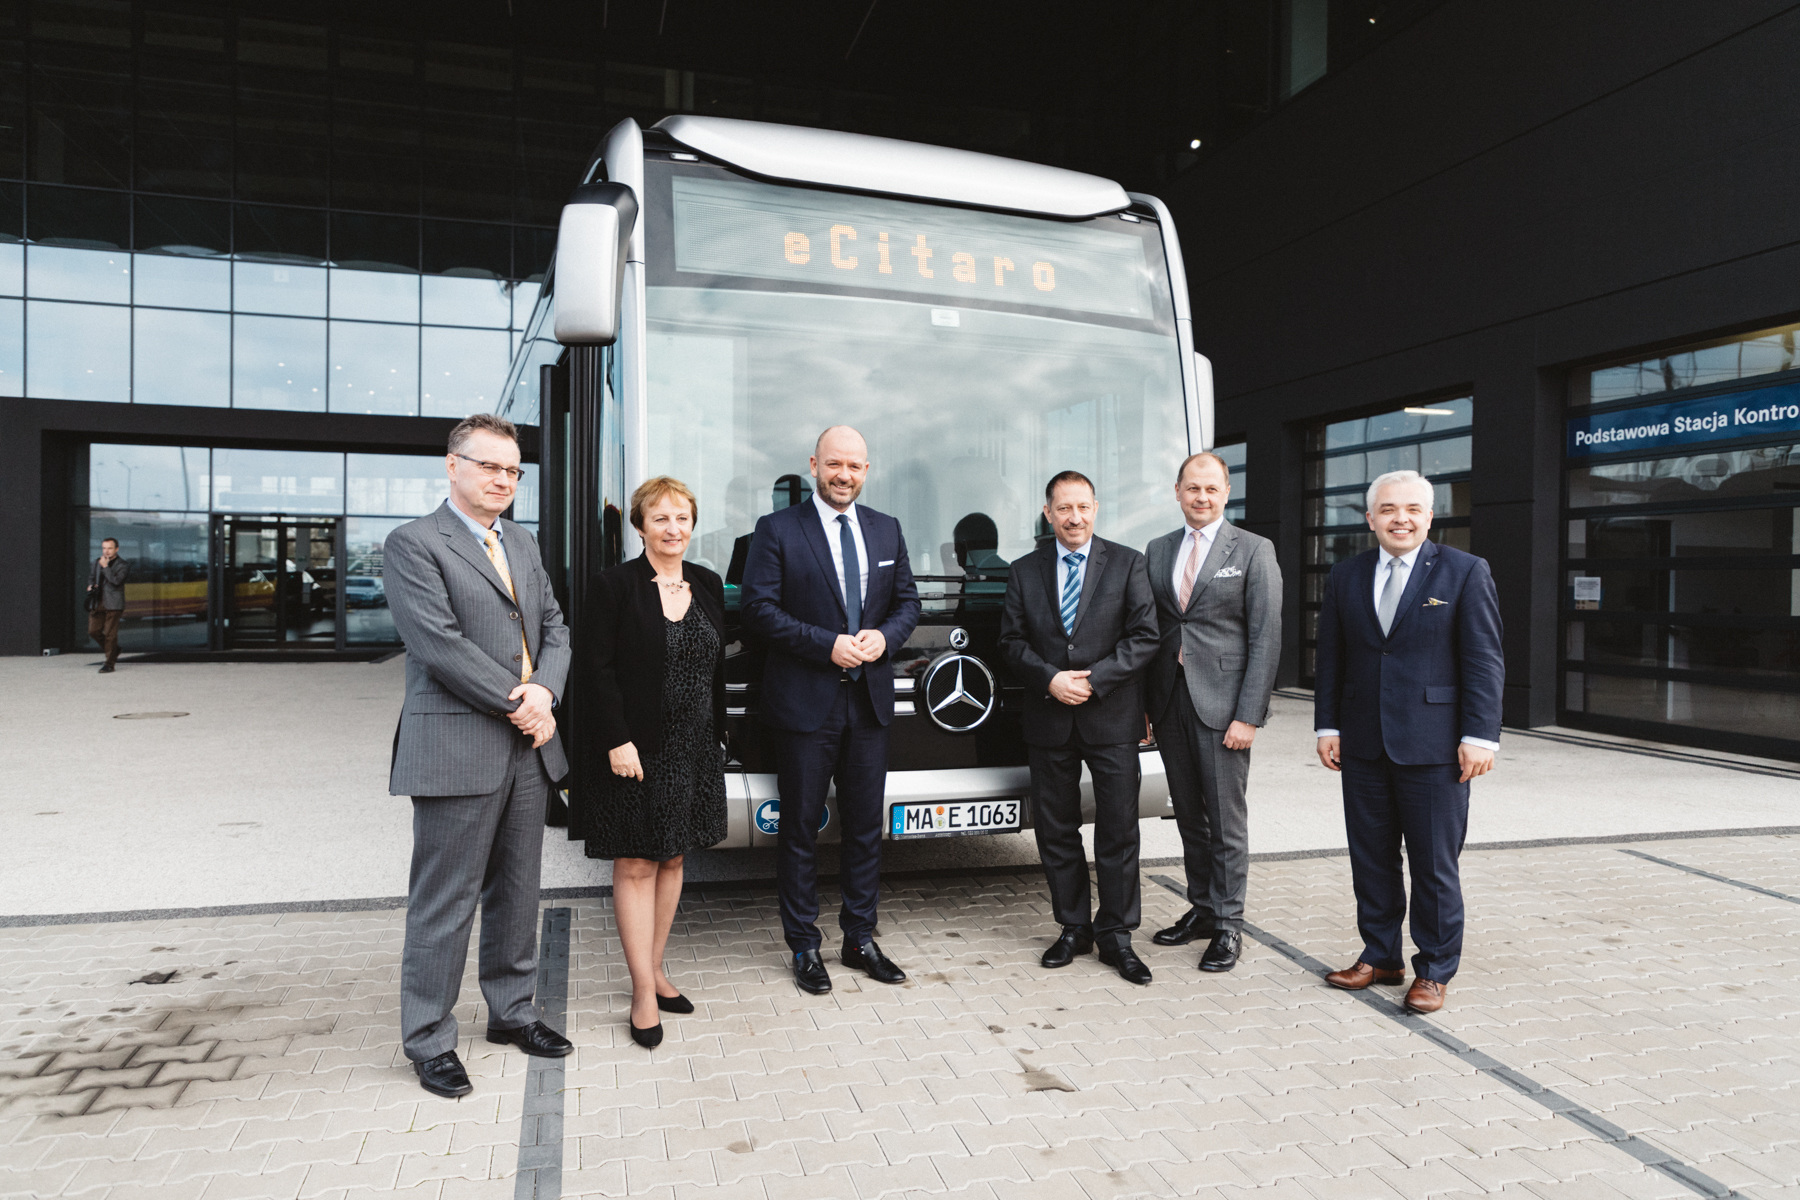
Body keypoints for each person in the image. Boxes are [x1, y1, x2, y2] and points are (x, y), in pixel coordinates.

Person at [382, 413, 574, 1098]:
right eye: (489, 466)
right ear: (452, 466)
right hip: (458, 745)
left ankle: (513, 1013)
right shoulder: (412, 544)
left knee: (519, 892)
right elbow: (437, 643)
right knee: (445, 901)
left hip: (527, 746)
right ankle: (429, 1039)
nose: (502, 480)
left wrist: (547, 690)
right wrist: (520, 700)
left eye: (513, 471)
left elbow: (554, 625)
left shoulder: (522, 542)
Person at [739, 425, 921, 994]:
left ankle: (860, 937)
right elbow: (758, 610)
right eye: (836, 464)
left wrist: (883, 638)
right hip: (804, 705)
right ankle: (804, 946)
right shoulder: (777, 530)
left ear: (868, 471)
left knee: (866, 827)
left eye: (856, 466)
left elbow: (908, 602)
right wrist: (828, 644)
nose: (845, 475)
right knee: (800, 829)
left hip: (868, 703)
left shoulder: (886, 530)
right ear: (815, 464)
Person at [1314, 468, 1503, 1014]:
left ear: (1429, 516)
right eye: (1389, 510)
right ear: (1370, 518)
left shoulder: (1464, 572)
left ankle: (1435, 969)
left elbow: (1485, 660)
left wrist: (1480, 736)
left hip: (1436, 747)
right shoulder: (1346, 575)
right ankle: (1381, 955)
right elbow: (1332, 658)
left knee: (1433, 864)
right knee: (1370, 857)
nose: (1401, 518)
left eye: (1413, 509)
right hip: (1364, 745)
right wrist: (1328, 726)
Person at [577, 476, 727, 1049]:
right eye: (660, 518)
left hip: (692, 748)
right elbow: (595, 670)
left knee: (672, 858)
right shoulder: (613, 586)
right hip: (635, 751)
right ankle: (643, 989)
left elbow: (714, 671)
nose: (673, 529)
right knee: (637, 863)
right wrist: (616, 740)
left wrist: (718, 739)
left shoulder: (708, 584)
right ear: (640, 525)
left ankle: (658, 968)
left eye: (682, 518)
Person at [999, 471, 1159, 984]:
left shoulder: (1129, 563)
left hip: (1110, 717)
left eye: (1083, 507)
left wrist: (1094, 681)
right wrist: (1049, 679)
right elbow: (1010, 642)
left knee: (1118, 831)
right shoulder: (1024, 571)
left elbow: (1145, 636)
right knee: (1056, 831)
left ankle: (1117, 935)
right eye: (1064, 508)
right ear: (1048, 513)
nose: (1075, 517)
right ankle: (1073, 928)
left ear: (1096, 508)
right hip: (1049, 720)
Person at [1144, 453, 1282, 972]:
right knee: (1189, 818)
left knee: (1226, 821)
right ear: (1177, 491)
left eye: (1212, 489)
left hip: (1225, 709)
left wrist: (1249, 715)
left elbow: (1266, 638)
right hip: (1170, 702)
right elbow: (1152, 630)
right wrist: (1145, 708)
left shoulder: (1253, 549)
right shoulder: (1158, 551)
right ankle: (1202, 909)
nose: (1202, 498)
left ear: (1227, 493)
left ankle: (1228, 924)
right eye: (1192, 489)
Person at [87, 538, 129, 673]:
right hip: (98, 601)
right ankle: (114, 649)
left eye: (110, 548)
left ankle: (109, 663)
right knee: (93, 631)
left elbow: (116, 581)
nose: (106, 551)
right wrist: (90, 585)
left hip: (114, 603)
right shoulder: (96, 562)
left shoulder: (123, 564)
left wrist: (105, 567)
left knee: (110, 634)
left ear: (116, 549)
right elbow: (92, 577)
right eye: (104, 548)